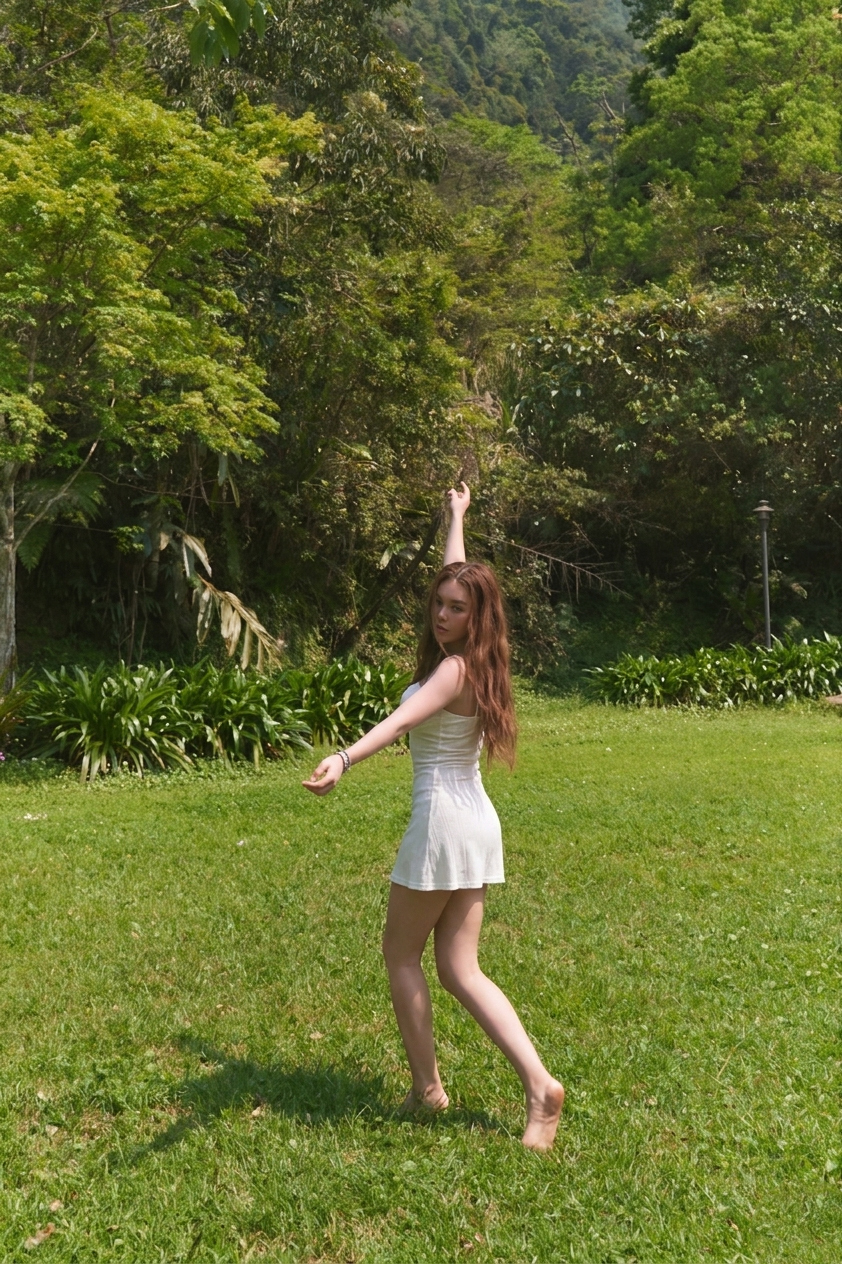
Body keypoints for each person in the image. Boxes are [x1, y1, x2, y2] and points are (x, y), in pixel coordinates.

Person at [302, 483, 564, 1150]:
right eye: (438, 604)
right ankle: (540, 1086)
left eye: (455, 608)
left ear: (475, 618)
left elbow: (397, 724)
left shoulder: (451, 671)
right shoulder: (481, 661)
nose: (442, 614)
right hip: (475, 820)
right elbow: (459, 575)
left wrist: (342, 757)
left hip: (443, 822)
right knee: (460, 968)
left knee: (400, 955)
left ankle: (427, 1091)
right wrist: (456, 517)